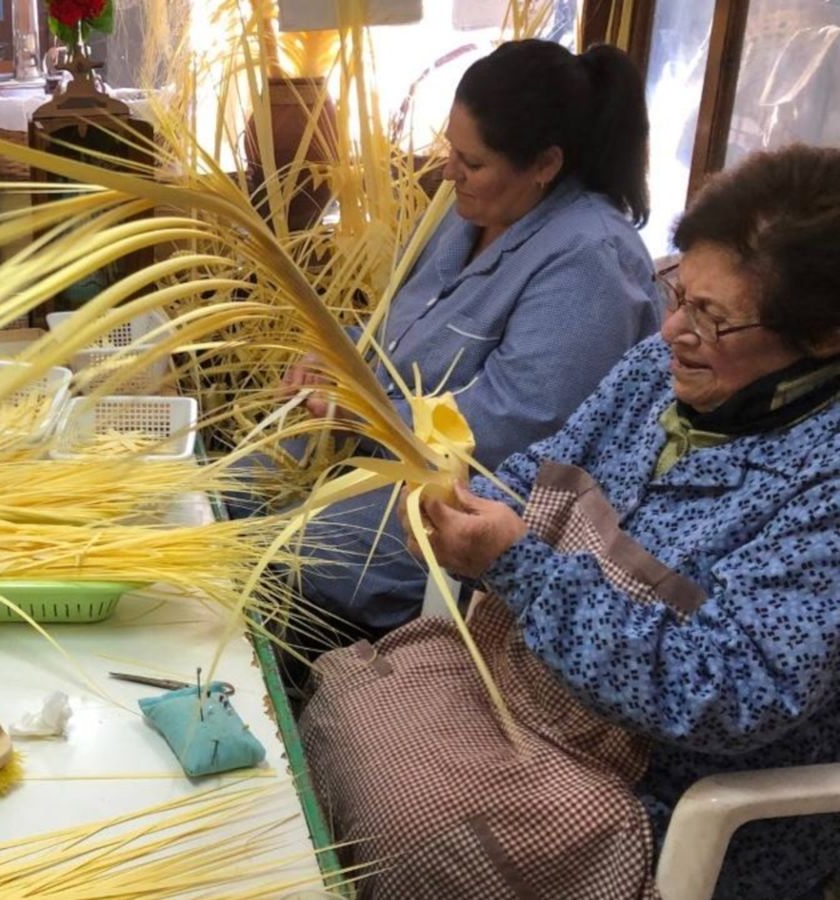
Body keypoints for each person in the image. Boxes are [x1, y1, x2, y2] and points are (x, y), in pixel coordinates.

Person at [302, 144, 840, 899]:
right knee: (339, 703)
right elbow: (542, 470)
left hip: (661, 788)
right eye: (679, 295)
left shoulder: (824, 483)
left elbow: (726, 689)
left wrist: (517, 564)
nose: (671, 331)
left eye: (712, 319)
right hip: (533, 692)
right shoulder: (658, 374)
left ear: (823, 338)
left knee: (415, 830)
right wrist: (460, 501)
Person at [281, 39, 661, 638]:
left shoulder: (590, 259)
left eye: (472, 162)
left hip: (468, 497)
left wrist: (367, 413)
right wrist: (337, 353)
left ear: (545, 164)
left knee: (293, 547)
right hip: (372, 449)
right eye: (450, 150)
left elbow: (518, 422)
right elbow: (396, 328)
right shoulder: (464, 213)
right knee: (233, 488)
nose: (448, 172)